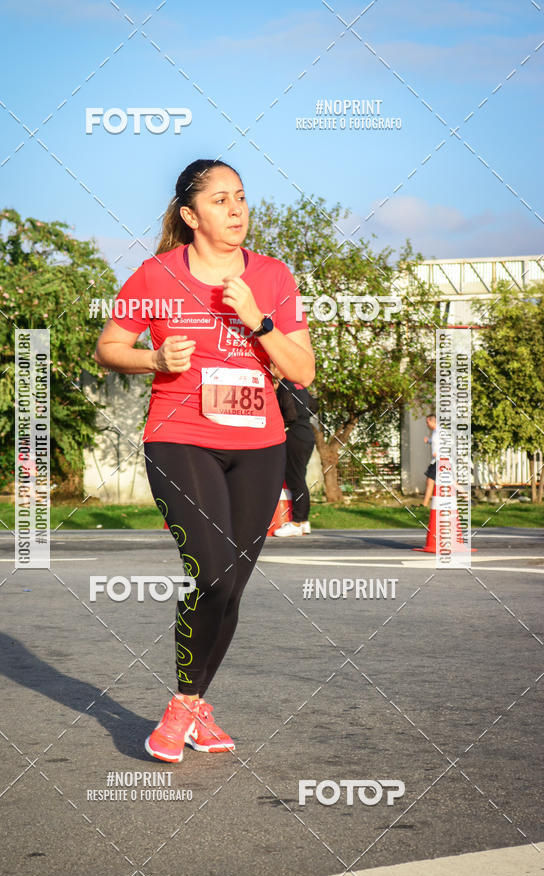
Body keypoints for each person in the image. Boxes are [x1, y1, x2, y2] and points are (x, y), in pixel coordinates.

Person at [94, 159, 314, 763]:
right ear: (191, 216)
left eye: (241, 197)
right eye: (220, 200)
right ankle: (185, 707)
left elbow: (301, 371)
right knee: (212, 574)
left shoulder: (272, 276)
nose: (237, 209)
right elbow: (109, 347)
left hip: (260, 446)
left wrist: (258, 321)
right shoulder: (156, 275)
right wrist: (154, 361)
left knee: (232, 589)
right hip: (179, 437)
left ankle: (191, 704)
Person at [273, 371, 317, 536]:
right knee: (300, 477)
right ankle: (304, 522)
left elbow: (290, 414)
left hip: (294, 436)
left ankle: (297, 522)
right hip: (307, 434)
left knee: (295, 479)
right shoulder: (300, 385)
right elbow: (314, 406)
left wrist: (278, 426)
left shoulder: (285, 386)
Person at [422, 413, 440, 507]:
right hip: (435, 461)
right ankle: (424, 504)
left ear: (433, 421)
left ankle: (467, 498)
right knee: (429, 481)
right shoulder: (434, 432)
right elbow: (435, 443)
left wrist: (439, 453)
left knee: (452, 482)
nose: (426, 424)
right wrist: (429, 441)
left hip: (440, 461)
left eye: (427, 422)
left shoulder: (440, 432)